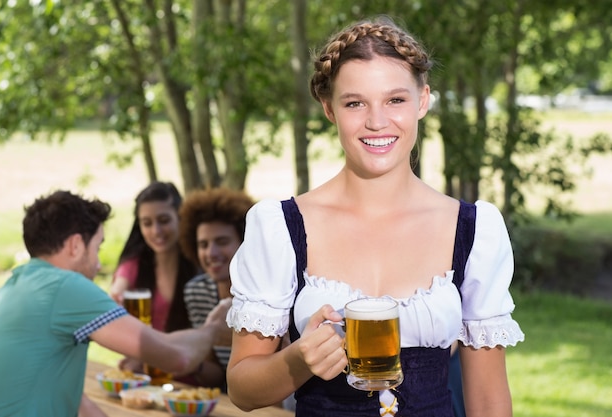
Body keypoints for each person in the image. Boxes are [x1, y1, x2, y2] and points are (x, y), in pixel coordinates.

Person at [224, 16, 525, 417]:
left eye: (395, 100)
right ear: (329, 108)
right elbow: (242, 389)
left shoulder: (473, 230)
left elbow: (488, 401)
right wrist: (295, 362)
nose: (377, 121)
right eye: (355, 103)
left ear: (423, 100)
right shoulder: (279, 228)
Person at [0, 190, 225, 417]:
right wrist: (214, 328)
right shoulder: (66, 287)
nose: (99, 265)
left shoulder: (16, 286)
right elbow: (176, 357)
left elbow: (78, 401)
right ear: (76, 245)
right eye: (97, 247)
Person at [109, 181, 198, 381]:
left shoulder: (197, 264)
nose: (156, 231)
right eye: (147, 223)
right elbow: (117, 291)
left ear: (179, 217)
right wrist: (115, 298)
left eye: (164, 220)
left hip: (191, 381)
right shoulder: (134, 264)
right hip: (147, 378)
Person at [178, 187, 255, 389]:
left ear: (246, 243)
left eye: (221, 242)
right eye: (203, 244)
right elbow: (215, 376)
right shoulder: (197, 292)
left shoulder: (265, 293)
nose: (211, 253)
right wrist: (189, 361)